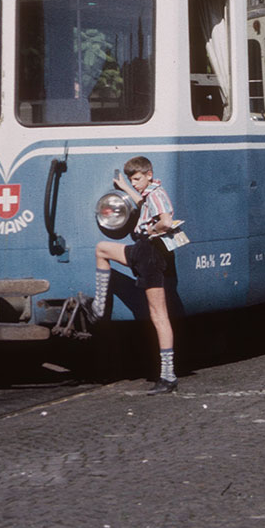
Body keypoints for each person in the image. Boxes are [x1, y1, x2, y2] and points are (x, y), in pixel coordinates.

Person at [90, 155, 183, 394]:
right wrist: (125, 189)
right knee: (102, 250)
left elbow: (166, 221)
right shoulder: (149, 193)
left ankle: (168, 375)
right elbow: (142, 202)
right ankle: (99, 308)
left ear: (149, 175)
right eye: (132, 180)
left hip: (150, 254)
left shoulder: (157, 194)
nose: (135, 183)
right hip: (142, 250)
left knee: (159, 316)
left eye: (138, 179)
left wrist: (152, 229)